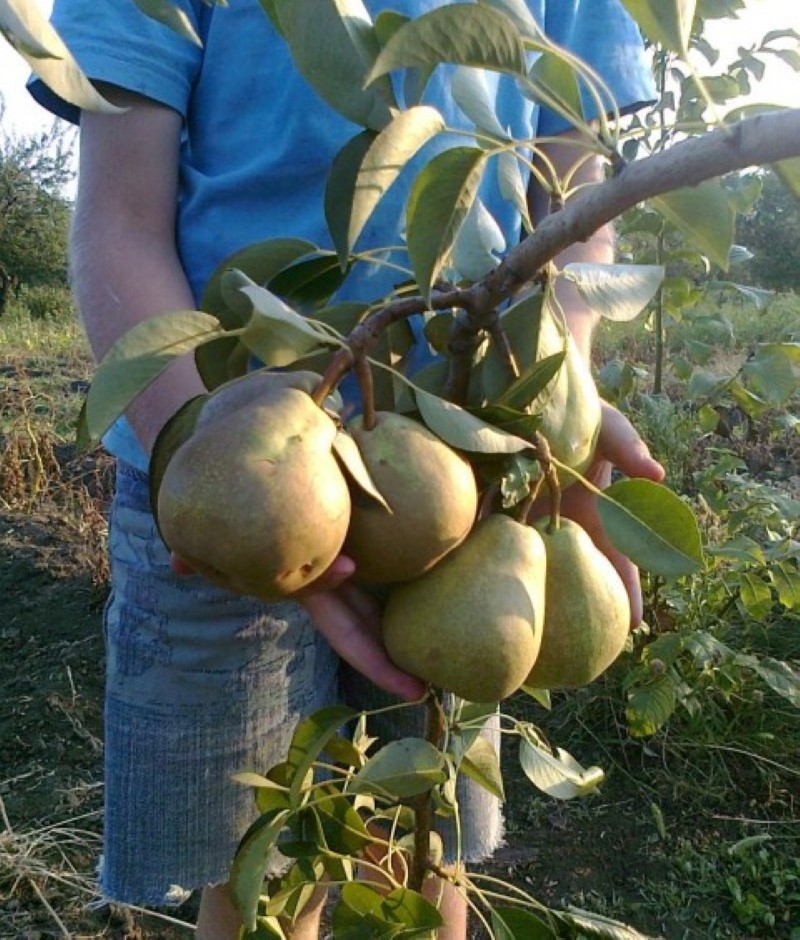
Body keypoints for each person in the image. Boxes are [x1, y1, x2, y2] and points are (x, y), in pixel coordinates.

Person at [29, 1, 663, 937]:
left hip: (456, 472)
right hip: (213, 469)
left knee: (418, 838)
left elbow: (574, 216)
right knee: (253, 868)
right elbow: (119, 219)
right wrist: (210, 472)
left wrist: (551, 401)